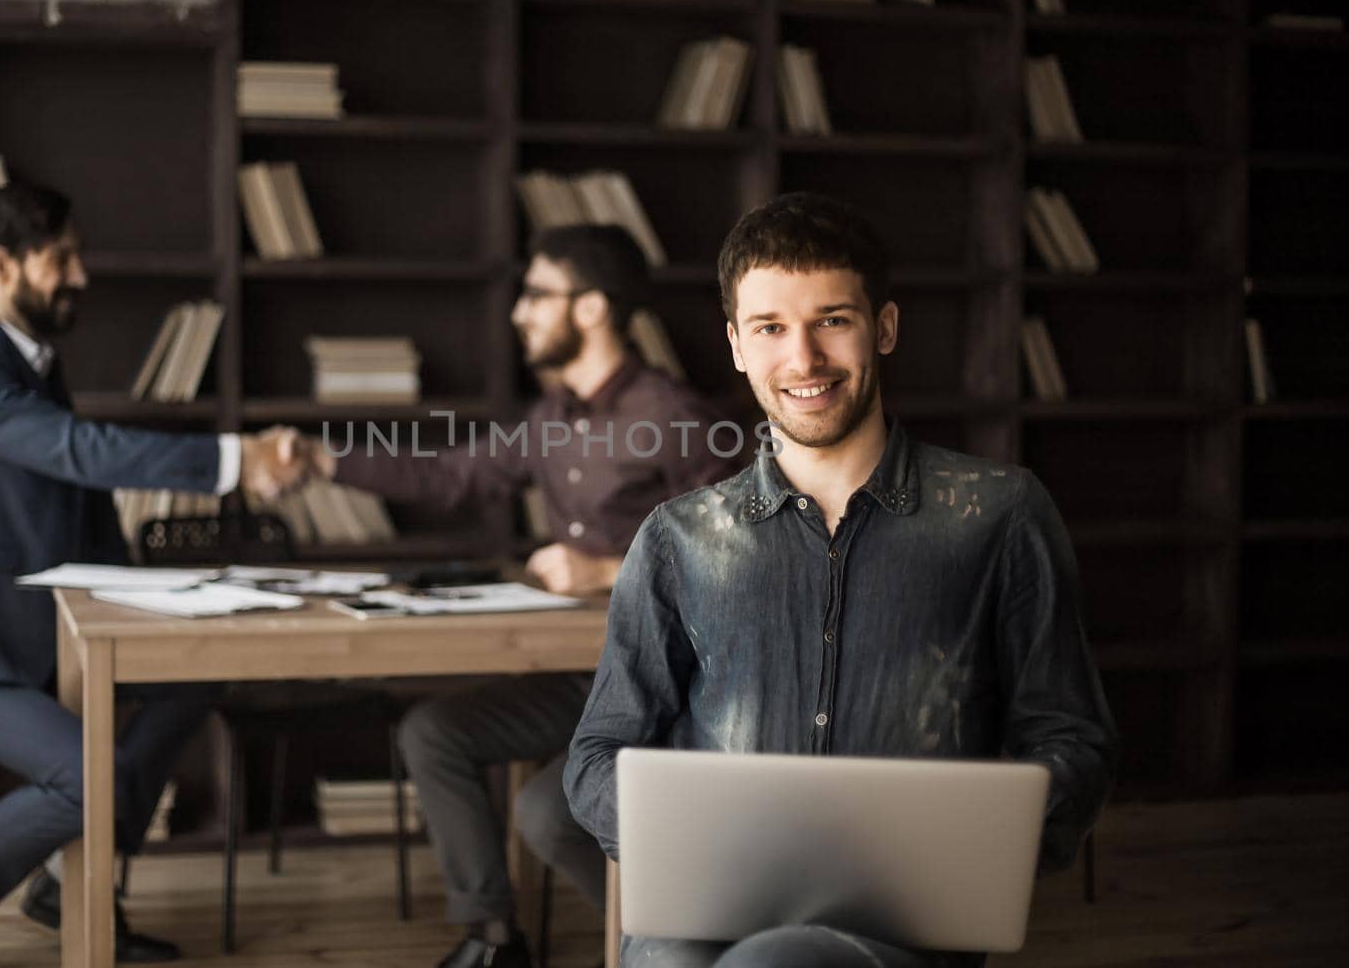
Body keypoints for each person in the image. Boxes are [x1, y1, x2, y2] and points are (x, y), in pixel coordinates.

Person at [564, 193, 1120, 968]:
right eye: (770, 328)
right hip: (704, 908)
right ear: (735, 345)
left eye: (832, 319)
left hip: (903, 918)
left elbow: (1072, 739)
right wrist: (686, 834)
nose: (803, 359)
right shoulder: (677, 538)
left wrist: (975, 838)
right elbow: (596, 754)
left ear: (883, 327)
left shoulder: (1000, 514)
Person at [284, 225, 738, 967]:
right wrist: (323, 460)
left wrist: (605, 569)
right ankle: (495, 940)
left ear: (592, 308)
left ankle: (668, 938)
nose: (519, 312)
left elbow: (735, 555)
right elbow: (450, 475)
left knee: (545, 811)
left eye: (536, 295)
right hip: (574, 677)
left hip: (663, 688)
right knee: (433, 732)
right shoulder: (550, 419)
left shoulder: (675, 416)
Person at [0, 183, 301, 968]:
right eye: (61, 257)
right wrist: (237, 459)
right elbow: (79, 451)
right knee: (89, 776)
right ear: (2, 264)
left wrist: (148, 604)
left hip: (38, 641)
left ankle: (64, 883)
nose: (81, 275)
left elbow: (80, 492)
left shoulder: (29, 357)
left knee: (192, 678)